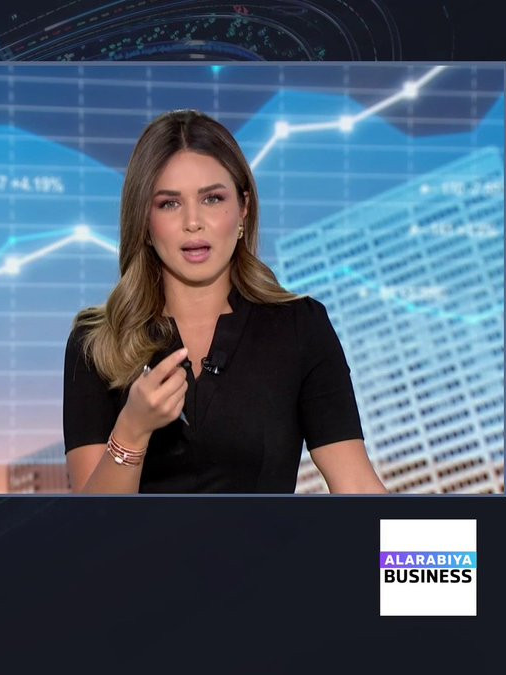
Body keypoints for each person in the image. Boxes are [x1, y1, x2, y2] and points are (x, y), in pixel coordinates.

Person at [63, 109, 386, 494]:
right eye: (169, 203)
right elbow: (89, 523)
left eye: (212, 198)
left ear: (243, 208)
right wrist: (131, 431)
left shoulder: (301, 326)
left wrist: (443, 536)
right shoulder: (97, 341)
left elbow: (357, 487)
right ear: (144, 222)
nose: (193, 222)